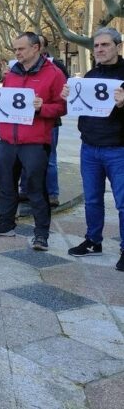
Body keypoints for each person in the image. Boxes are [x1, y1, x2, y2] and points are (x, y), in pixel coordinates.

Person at [0, 32, 66, 251]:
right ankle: (6, 224)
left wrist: (42, 108)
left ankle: (41, 234)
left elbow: (63, 107)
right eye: (15, 49)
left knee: (36, 189)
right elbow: (6, 102)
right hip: (7, 141)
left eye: (21, 49)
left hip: (35, 142)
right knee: (5, 185)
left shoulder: (54, 73)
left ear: (36, 48)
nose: (17, 53)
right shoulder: (12, 74)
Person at [62, 28, 124, 272]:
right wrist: (69, 96)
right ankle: (93, 240)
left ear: (118, 46)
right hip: (90, 148)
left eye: (105, 45)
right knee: (92, 199)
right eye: (96, 45)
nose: (99, 49)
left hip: (119, 149)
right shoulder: (89, 75)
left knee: (122, 203)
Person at [20, 35, 69, 207]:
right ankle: (24, 189)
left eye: (38, 44)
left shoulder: (56, 68)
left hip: (50, 123)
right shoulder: (18, 68)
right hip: (25, 122)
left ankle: (52, 193)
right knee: (24, 158)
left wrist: (43, 107)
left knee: (50, 159)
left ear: (40, 47)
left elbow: (65, 95)